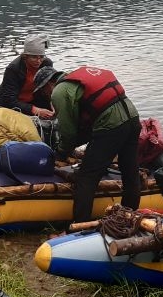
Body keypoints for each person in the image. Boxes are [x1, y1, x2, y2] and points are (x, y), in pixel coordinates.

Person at [51, 65, 141, 222]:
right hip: (133, 118)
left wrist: (61, 152)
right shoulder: (78, 82)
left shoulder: (58, 91)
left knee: (86, 177)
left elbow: (68, 133)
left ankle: (81, 227)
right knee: (130, 172)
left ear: (49, 84)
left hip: (111, 125)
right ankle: (128, 219)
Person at [0, 36, 60, 118]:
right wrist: (35, 110)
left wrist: (52, 102)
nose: (38, 61)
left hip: (33, 98)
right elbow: (9, 100)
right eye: (34, 57)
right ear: (25, 56)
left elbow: (49, 87)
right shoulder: (13, 69)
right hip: (14, 101)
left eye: (41, 57)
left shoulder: (46, 64)